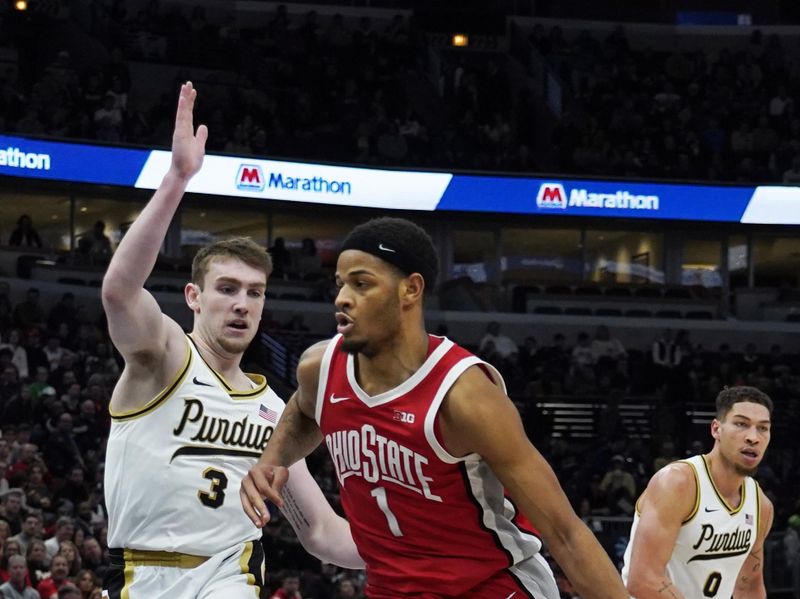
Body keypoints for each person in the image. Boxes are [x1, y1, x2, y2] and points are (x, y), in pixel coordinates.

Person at [241, 217, 628, 599]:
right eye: (340, 284)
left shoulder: (464, 396)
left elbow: (565, 533)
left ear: (410, 289)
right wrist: (272, 460)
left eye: (362, 284)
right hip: (391, 589)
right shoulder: (320, 368)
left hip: (489, 587)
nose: (342, 297)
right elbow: (304, 412)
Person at [100, 82, 363, 599]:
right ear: (194, 297)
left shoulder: (274, 410)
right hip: (140, 575)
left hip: (232, 575)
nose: (242, 303)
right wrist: (177, 179)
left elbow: (323, 533)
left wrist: (421, 545)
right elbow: (119, 291)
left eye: (255, 292)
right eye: (227, 289)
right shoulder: (165, 357)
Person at [622, 386, 774, 599]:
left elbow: (748, 587)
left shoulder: (761, 506)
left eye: (763, 428)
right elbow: (643, 580)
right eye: (741, 424)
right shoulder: (678, 483)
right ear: (716, 429)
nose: (753, 437)